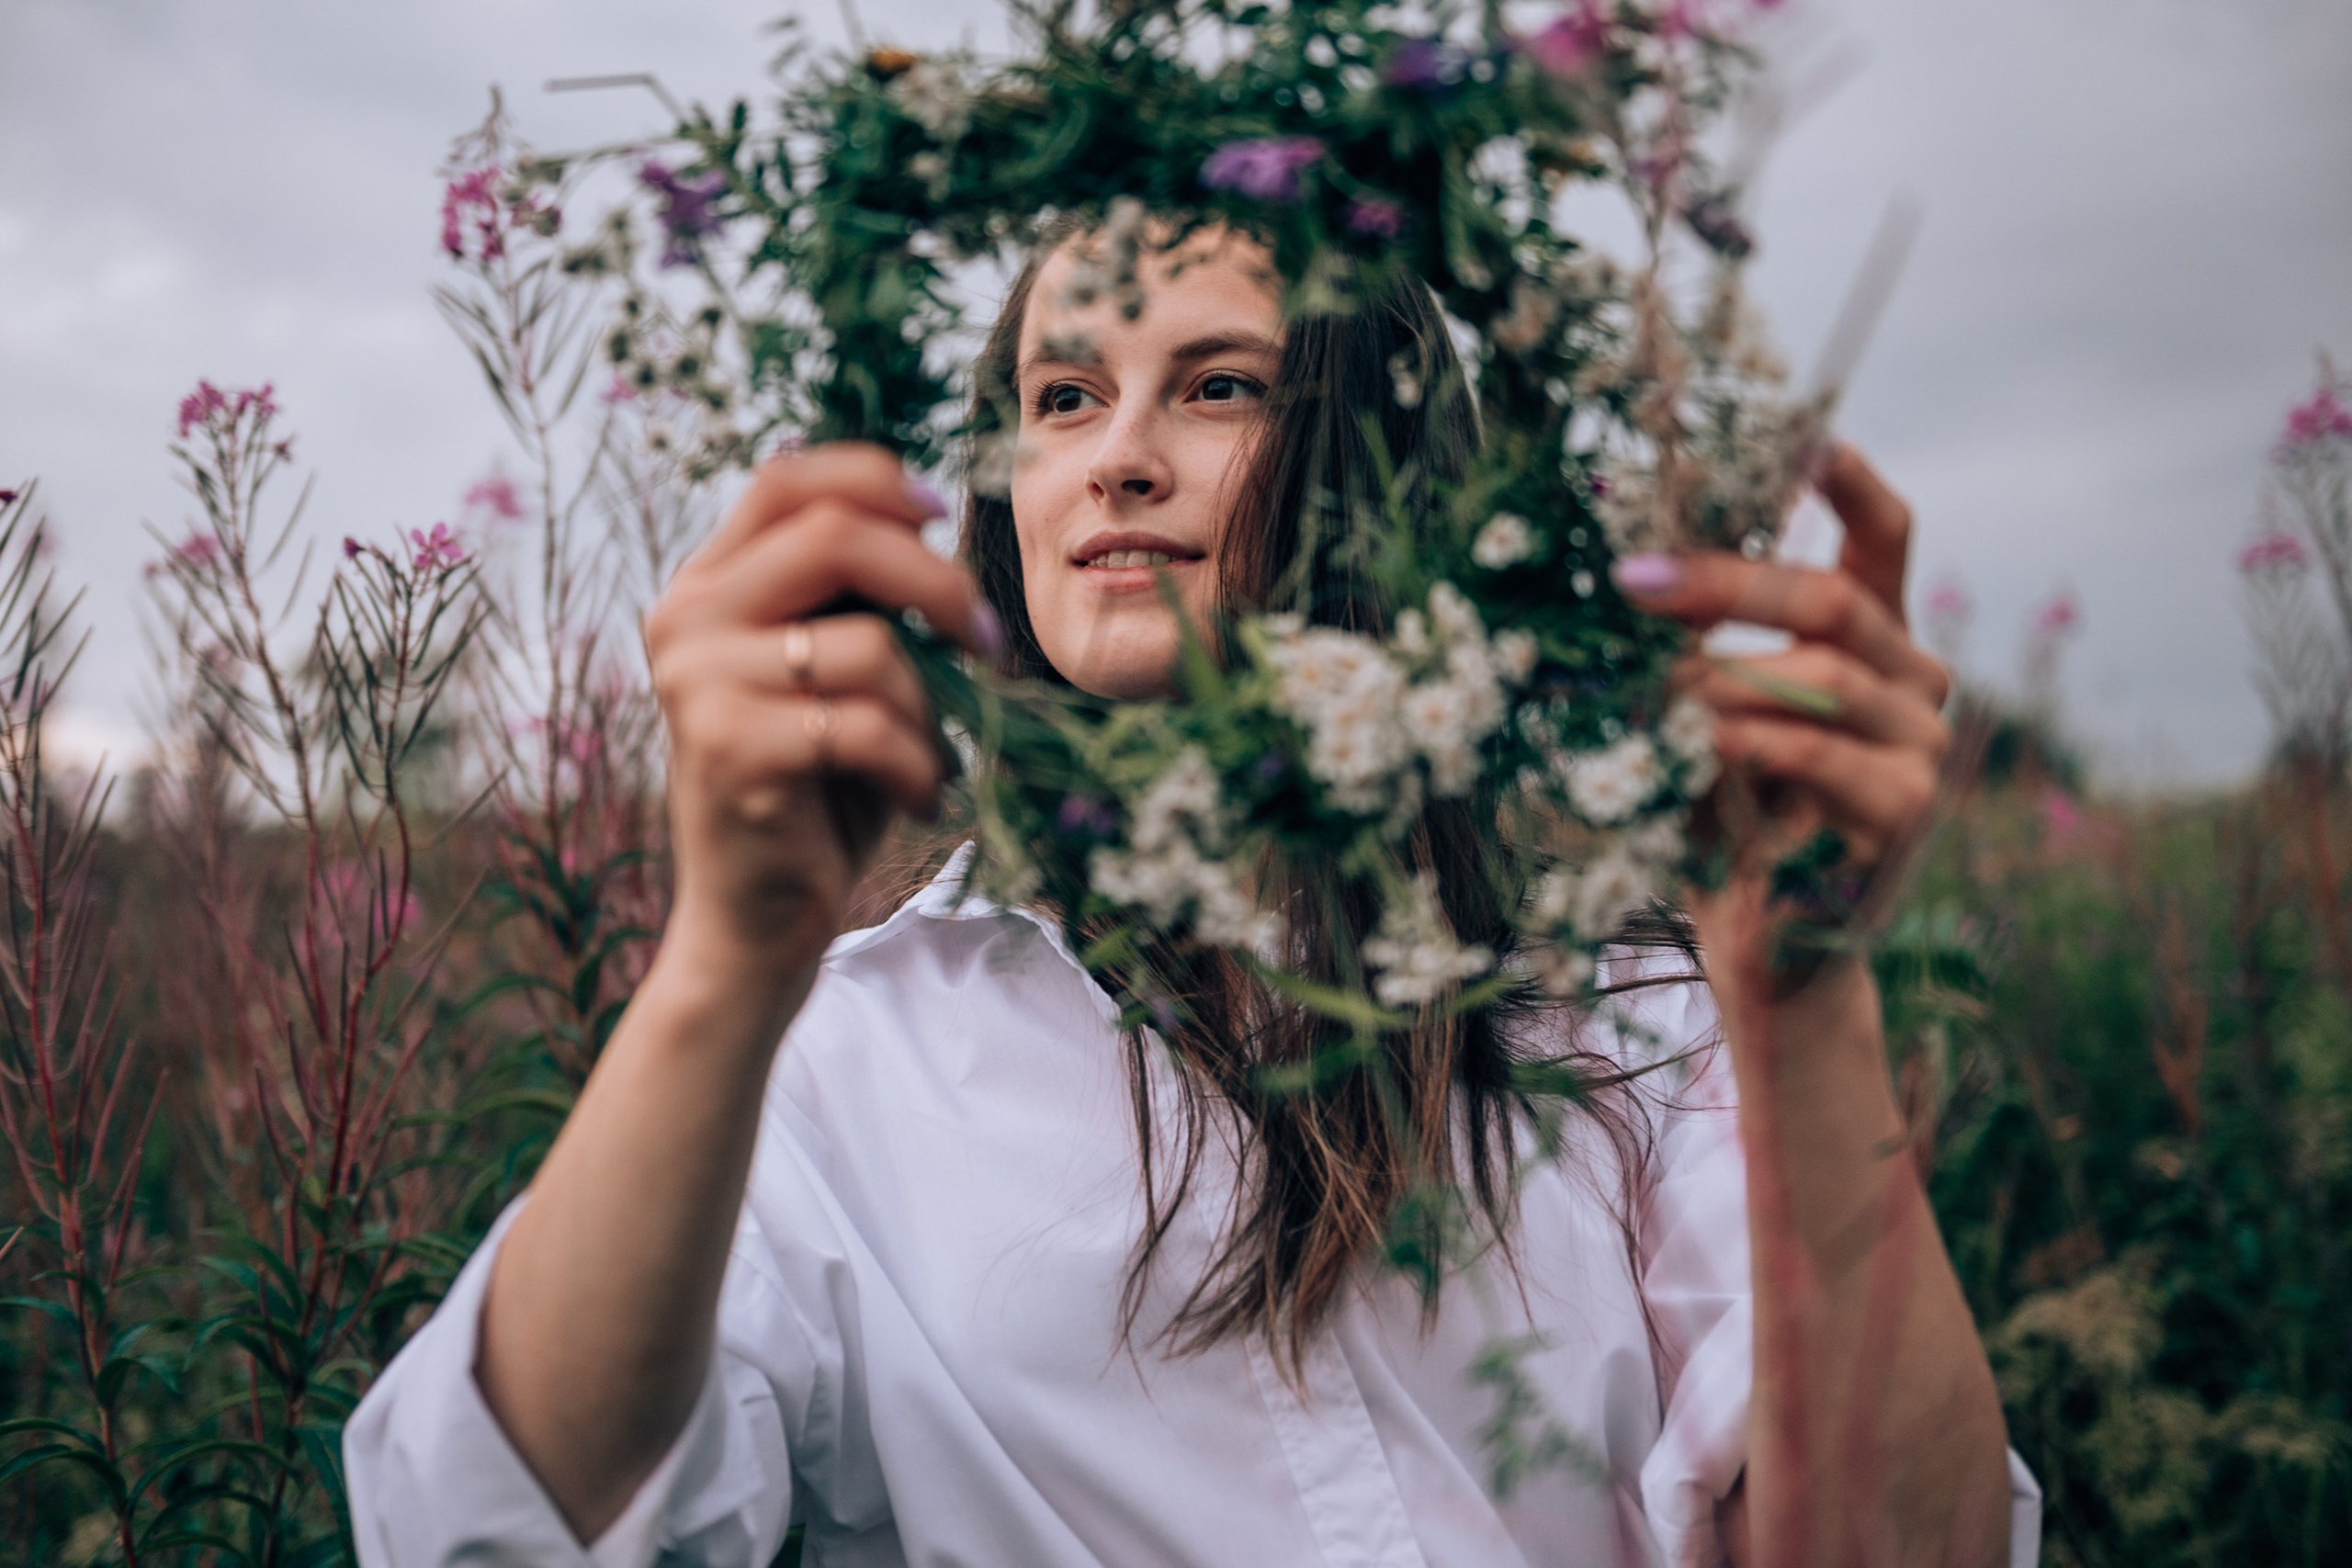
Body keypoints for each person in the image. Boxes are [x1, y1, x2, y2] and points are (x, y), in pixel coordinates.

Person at [345, 224, 2040, 1567]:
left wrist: (1809, 1005)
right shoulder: (844, 1060)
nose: (1118, 460)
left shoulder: (1631, 997)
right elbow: (486, 1538)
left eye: (1218, 385)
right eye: (1064, 398)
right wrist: (720, 964)